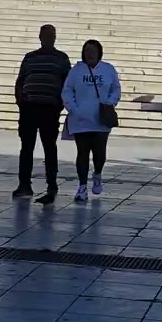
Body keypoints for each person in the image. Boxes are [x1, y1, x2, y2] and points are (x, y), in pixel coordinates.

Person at [14, 24, 72, 204]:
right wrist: (20, 101)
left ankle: (52, 185)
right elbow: (21, 79)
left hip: (50, 109)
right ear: (39, 37)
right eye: (45, 35)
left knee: (49, 148)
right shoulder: (30, 57)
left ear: (55, 37)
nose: (48, 38)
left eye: (51, 35)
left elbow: (67, 83)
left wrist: (59, 105)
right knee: (26, 147)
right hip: (29, 107)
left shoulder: (62, 59)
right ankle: (24, 184)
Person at [61, 39, 121, 202]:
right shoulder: (76, 71)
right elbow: (67, 90)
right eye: (87, 50)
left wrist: (110, 102)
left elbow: (115, 88)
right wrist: (73, 108)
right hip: (80, 119)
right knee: (82, 152)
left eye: (93, 50)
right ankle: (82, 187)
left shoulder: (108, 70)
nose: (90, 53)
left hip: (101, 118)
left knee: (99, 152)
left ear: (99, 52)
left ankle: (98, 174)